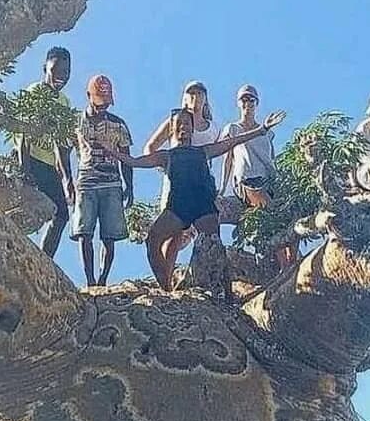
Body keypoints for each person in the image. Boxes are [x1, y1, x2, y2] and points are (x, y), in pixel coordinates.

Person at [111, 106, 286, 292]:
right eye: (178, 124)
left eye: (186, 123)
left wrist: (262, 130)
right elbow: (135, 161)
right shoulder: (167, 156)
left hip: (204, 207)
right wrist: (114, 153)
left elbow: (233, 142)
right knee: (153, 240)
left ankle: (227, 295)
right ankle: (166, 288)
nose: (182, 127)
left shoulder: (202, 151)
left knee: (215, 246)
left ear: (192, 128)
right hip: (177, 208)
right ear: (172, 129)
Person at [144, 80, 220, 283]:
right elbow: (150, 148)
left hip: (201, 187)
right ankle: (166, 280)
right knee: (173, 234)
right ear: (185, 97)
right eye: (191, 93)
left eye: (200, 92)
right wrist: (166, 167)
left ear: (206, 98)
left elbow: (215, 152)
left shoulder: (211, 127)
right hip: (176, 181)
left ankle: (202, 278)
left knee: (195, 235)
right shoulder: (175, 119)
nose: (196, 96)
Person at [73, 74, 134, 288]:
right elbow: (62, 149)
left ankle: (103, 278)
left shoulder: (118, 124)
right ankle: (90, 280)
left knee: (110, 235)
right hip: (86, 180)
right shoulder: (75, 121)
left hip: (112, 183)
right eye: (99, 102)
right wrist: (66, 181)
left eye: (106, 103)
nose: (102, 107)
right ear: (89, 96)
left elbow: (126, 158)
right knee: (84, 232)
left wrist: (130, 187)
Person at [16, 47, 74, 259]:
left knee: (61, 215)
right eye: (56, 71)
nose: (61, 77)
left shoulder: (64, 102)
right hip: (30, 160)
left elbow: (62, 145)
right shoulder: (34, 92)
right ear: (45, 69)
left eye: (66, 73)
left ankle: (43, 259)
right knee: (28, 211)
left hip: (49, 166)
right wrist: (25, 170)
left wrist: (67, 178)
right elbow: (24, 135)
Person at [219, 84, 279, 211]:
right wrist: (223, 188)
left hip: (267, 181)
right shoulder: (233, 129)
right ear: (238, 103)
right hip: (246, 181)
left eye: (251, 100)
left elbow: (271, 160)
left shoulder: (268, 133)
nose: (248, 103)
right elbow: (228, 159)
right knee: (269, 207)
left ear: (256, 103)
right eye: (244, 100)